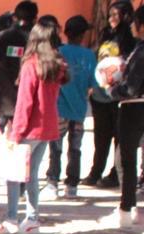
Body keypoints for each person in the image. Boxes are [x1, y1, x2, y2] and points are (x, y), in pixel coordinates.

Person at [0, 21, 67, 234]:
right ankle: (32, 217)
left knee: (14, 175)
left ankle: (11, 218)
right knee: (33, 174)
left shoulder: (31, 65)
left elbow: (25, 102)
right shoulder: (56, 66)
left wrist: (16, 134)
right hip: (47, 127)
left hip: (29, 128)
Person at [106, 4, 144, 228]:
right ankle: (127, 207)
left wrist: (112, 90)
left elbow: (131, 87)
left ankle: (126, 209)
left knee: (125, 159)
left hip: (135, 105)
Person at [0, 1, 38, 183]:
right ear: (35, 18)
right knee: (20, 141)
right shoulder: (35, 41)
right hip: (24, 99)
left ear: (15, 17)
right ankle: (18, 181)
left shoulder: (0, 38)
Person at [85, 1, 137, 188]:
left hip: (118, 95)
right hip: (100, 94)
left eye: (116, 15)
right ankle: (95, 172)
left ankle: (115, 174)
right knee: (101, 136)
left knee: (119, 136)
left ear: (125, 15)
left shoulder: (131, 38)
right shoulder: (105, 34)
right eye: (110, 15)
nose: (112, 19)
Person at [43, 15, 95, 200]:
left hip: (59, 107)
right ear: (83, 35)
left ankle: (52, 182)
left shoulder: (58, 51)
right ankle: (72, 185)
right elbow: (92, 83)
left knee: (55, 146)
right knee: (75, 148)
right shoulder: (89, 55)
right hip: (79, 109)